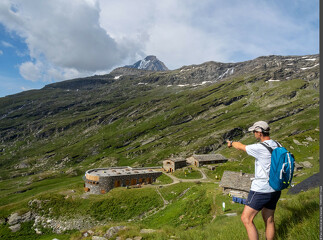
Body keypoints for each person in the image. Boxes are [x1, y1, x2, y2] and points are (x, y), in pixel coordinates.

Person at [227, 121, 281, 240]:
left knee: (246, 219)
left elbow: (240, 146)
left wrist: (231, 143)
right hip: (276, 188)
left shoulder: (259, 147)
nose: (253, 134)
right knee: (269, 219)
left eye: (254, 132)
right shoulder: (278, 144)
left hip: (261, 189)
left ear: (259, 132)